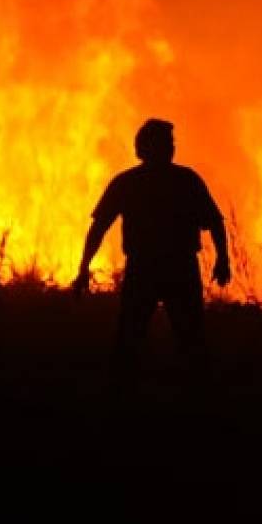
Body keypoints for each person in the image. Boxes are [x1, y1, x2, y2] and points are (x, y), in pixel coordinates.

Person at [72, 118, 231, 396]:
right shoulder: (144, 182)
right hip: (151, 267)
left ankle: (192, 398)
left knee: (185, 337)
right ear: (144, 149)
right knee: (136, 337)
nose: (170, 148)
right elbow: (98, 227)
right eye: (164, 143)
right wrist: (83, 266)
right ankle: (128, 396)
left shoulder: (179, 181)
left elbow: (215, 222)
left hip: (172, 267)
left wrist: (223, 259)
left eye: (171, 143)